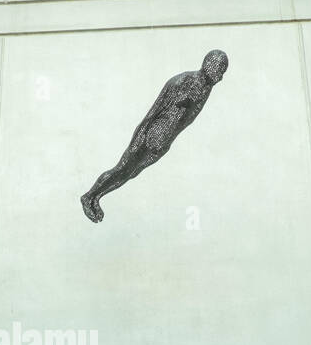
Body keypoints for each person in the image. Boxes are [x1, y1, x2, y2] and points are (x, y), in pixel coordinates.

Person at [81, 49, 229, 223]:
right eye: (219, 70)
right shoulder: (182, 82)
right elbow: (153, 112)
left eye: (222, 72)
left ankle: (97, 197)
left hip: (163, 142)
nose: (220, 77)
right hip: (149, 136)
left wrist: (164, 143)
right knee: (122, 168)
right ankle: (88, 197)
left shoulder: (206, 88)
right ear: (209, 66)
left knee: (131, 173)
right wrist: (140, 138)